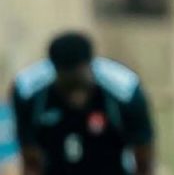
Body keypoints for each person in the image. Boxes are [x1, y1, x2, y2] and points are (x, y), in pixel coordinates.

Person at [9, 32, 155, 175]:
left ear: (90, 66)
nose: (76, 99)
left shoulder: (125, 92)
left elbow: (143, 162)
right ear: (55, 71)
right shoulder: (27, 92)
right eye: (68, 89)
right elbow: (31, 162)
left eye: (80, 87)